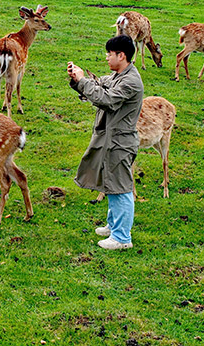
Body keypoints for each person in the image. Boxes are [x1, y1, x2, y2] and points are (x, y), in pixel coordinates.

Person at [68, 35, 144, 250]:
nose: (107, 58)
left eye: (110, 54)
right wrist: (77, 80)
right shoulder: (118, 76)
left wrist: (83, 82)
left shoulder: (130, 81)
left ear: (122, 55)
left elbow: (106, 100)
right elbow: (99, 86)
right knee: (112, 184)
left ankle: (122, 238)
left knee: (120, 188)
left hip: (120, 142)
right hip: (111, 139)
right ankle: (114, 226)